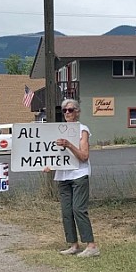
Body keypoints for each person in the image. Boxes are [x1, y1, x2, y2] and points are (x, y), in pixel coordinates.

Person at [53, 98, 99, 257]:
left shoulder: (83, 130)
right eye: (64, 110)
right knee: (67, 211)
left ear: (77, 112)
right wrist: (47, 164)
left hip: (79, 174)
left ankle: (91, 245)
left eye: (70, 110)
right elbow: (53, 154)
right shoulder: (58, 130)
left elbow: (84, 156)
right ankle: (74, 244)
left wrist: (70, 145)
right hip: (63, 175)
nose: (67, 113)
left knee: (78, 209)